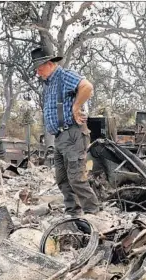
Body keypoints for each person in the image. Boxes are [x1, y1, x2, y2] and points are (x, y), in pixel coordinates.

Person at [30, 45, 100, 216]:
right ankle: (73, 215)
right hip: (60, 137)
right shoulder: (48, 84)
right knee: (62, 179)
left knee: (76, 178)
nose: (38, 72)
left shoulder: (63, 75)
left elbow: (87, 87)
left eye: (40, 68)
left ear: (50, 63)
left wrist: (76, 108)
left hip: (73, 133)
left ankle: (94, 214)